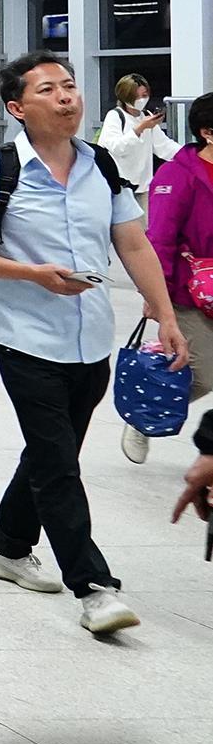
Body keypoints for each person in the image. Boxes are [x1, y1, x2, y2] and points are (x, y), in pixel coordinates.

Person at [0, 51, 186, 636]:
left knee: (50, 452)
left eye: (70, 86)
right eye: (48, 89)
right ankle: (94, 587)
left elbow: (132, 242)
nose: (66, 97)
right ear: (17, 107)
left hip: (91, 337)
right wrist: (34, 275)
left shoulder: (100, 164)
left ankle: (8, 547)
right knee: (57, 463)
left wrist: (165, 313)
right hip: (23, 336)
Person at [133, 90, 213, 464]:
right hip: (190, 289)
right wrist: (156, 294)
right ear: (207, 132)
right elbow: (159, 239)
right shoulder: (177, 175)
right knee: (204, 373)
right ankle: (145, 412)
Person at [99, 73, 178, 186]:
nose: (141, 100)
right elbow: (117, 147)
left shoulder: (146, 116)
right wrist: (140, 128)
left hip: (143, 185)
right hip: (120, 185)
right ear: (125, 97)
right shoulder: (115, 116)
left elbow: (163, 146)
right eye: (136, 96)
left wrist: (189, 155)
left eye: (144, 95)